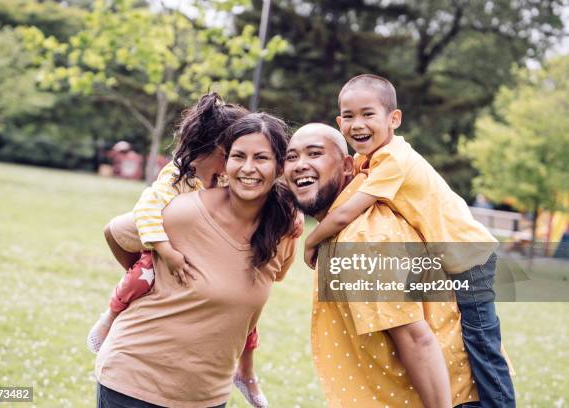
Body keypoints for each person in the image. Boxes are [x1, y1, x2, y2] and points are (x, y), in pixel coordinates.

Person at [303, 74, 515, 407]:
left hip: (469, 257)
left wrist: (311, 240)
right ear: (339, 121)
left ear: (394, 119)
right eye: (348, 115)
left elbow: (346, 212)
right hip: (452, 257)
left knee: (481, 343)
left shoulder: (393, 160)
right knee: (469, 337)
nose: (357, 124)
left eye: (368, 114)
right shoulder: (368, 160)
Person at [89, 94, 299, 407]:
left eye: (262, 158)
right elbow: (115, 232)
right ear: (226, 159)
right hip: (133, 384)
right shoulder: (182, 210)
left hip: (207, 397)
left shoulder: (283, 228)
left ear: (280, 166)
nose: (248, 168)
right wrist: (153, 268)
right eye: (238, 156)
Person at [285, 123, 482, 407]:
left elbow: (417, 341)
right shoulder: (347, 228)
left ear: (347, 167)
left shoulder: (363, 238)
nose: (300, 165)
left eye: (314, 154)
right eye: (291, 158)